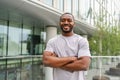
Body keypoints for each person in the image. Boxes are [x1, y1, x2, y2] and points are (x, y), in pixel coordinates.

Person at [43, 13, 91, 80]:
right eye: (63, 20)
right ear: (60, 23)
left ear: (74, 23)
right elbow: (46, 61)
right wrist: (71, 58)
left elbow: (84, 65)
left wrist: (56, 62)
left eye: (69, 20)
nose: (66, 22)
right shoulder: (52, 41)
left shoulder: (81, 41)